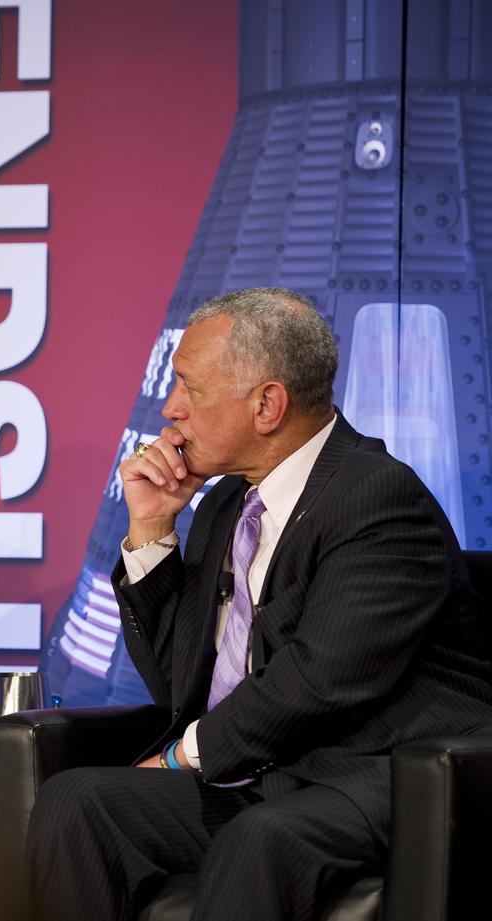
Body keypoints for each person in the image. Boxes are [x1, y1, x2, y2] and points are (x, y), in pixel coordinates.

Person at [26, 287, 492, 921]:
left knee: (260, 836)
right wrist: (152, 532)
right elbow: (177, 680)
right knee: (76, 800)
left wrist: (179, 758)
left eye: (189, 388)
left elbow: (319, 681)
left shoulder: (377, 499)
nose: (170, 409)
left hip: (383, 772)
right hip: (266, 769)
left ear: (267, 404)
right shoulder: (225, 504)